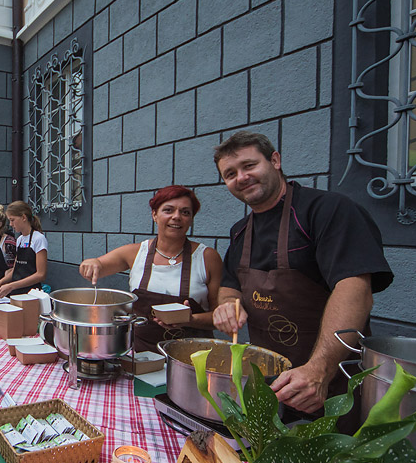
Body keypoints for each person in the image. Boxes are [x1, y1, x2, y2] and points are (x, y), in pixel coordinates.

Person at [210, 131, 393, 415]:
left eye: (249, 166)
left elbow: (355, 288)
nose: (241, 177)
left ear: (275, 160)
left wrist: (319, 370)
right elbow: (230, 286)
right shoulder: (240, 232)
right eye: (230, 173)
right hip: (270, 384)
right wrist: (226, 306)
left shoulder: (328, 210)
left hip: (331, 384)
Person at [79, 185, 223, 352]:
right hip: (141, 355)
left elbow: (218, 316)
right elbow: (98, 265)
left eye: (185, 212)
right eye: (168, 210)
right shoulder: (134, 253)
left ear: (191, 219)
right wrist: (91, 263)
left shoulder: (207, 258)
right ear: (154, 214)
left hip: (193, 357)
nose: (177, 217)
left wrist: (190, 319)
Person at [0, 201, 47, 298]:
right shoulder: (19, 240)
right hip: (17, 293)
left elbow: (41, 275)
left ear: (23, 218)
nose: (10, 224)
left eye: (12, 220)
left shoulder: (38, 239)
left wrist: (11, 286)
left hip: (32, 294)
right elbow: (16, 270)